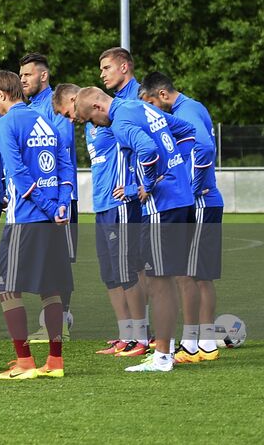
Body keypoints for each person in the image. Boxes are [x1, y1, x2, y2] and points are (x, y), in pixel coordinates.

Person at [75, 85, 198, 373]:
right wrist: (178, 170)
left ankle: (163, 356)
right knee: (173, 277)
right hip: (182, 198)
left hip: (162, 206)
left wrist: (143, 185)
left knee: (159, 281)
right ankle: (183, 345)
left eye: (91, 120)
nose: (94, 126)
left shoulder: (120, 121)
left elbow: (149, 151)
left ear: (96, 108)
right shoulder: (142, 107)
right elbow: (188, 132)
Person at [0, 71, 74, 380]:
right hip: (54, 218)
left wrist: (51, 206)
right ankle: (55, 362)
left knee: (7, 288)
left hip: (26, 219)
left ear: (1, 95)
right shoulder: (47, 121)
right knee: (50, 289)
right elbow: (65, 166)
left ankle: (25, 361)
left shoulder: (5, 123)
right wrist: (62, 204)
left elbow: (18, 174)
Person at [52, 83, 146, 357]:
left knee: (128, 270)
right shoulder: (90, 126)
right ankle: (125, 334)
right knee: (110, 274)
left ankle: (142, 335)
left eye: (67, 113)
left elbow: (140, 148)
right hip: (102, 206)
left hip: (120, 205)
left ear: (75, 99)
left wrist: (136, 186)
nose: (70, 119)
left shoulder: (110, 117)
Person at [140, 71, 223, 364]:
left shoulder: (185, 110)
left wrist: (192, 188)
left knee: (190, 274)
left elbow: (205, 149)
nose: (151, 112)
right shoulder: (194, 106)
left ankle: (195, 344)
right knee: (198, 275)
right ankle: (203, 342)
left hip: (200, 202)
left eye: (151, 103)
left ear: (162, 95)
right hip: (204, 201)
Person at [20, 53, 77, 340]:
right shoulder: (29, 109)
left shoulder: (56, 105)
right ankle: (54, 322)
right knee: (46, 263)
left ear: (43, 76)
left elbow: (62, 144)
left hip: (60, 199)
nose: (23, 80)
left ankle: (59, 325)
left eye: (27, 75)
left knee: (59, 262)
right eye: (21, 76)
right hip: (39, 200)